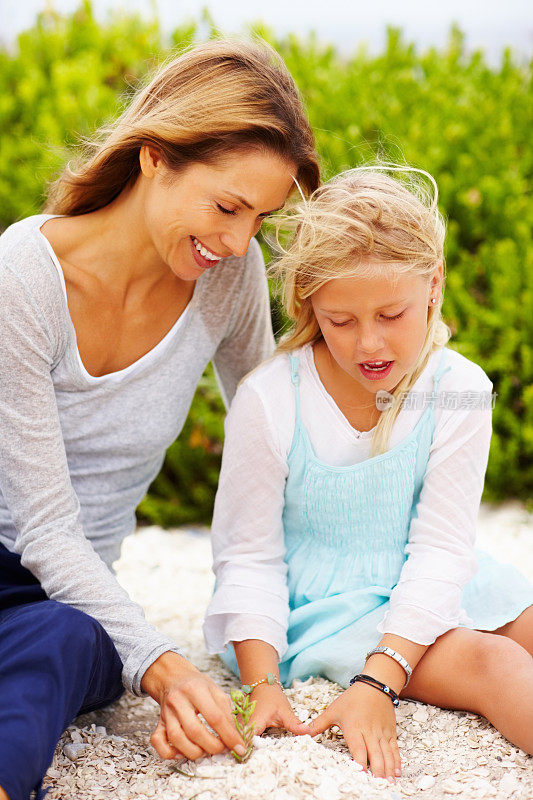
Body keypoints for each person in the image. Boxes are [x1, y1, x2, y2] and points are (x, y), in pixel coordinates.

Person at [0, 38, 320, 800]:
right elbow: (42, 528)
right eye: (226, 206)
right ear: (153, 157)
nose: (240, 241)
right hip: (23, 551)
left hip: (59, 603)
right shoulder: (22, 276)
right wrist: (165, 665)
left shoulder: (224, 277)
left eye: (259, 217)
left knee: (75, 644)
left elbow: (277, 432)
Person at [203, 167, 533, 783]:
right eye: (340, 320)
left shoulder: (457, 390)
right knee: (492, 662)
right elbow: (247, 556)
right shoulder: (271, 397)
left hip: (427, 573)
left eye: (392, 313)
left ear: (433, 285)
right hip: (330, 606)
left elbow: (441, 548)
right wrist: (266, 682)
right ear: (311, 306)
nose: (368, 345)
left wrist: (379, 682)